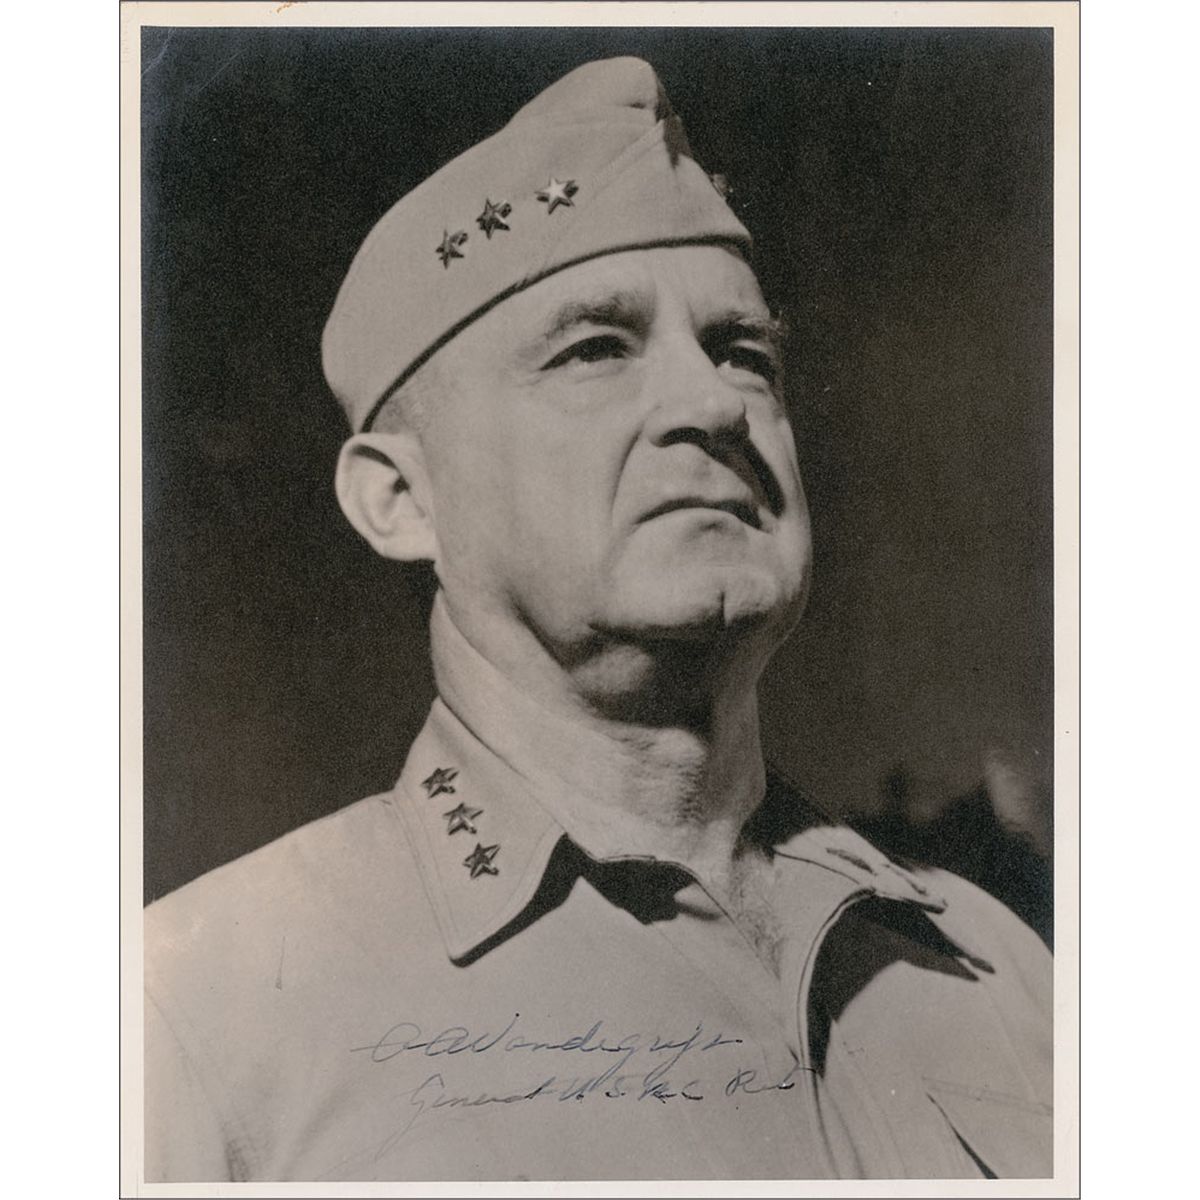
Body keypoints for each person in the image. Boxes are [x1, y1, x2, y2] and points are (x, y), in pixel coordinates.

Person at [144, 57, 1051, 1182]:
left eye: (743, 353)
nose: (713, 403)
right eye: (595, 351)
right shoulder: (189, 1018)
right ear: (402, 499)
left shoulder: (1002, 971)